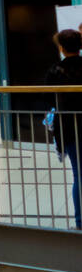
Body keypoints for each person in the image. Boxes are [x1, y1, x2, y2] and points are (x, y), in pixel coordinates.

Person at [45, 28, 82, 230]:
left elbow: (49, 99)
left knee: (79, 173)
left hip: (69, 127)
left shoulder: (55, 71)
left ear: (61, 47)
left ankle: (80, 222)